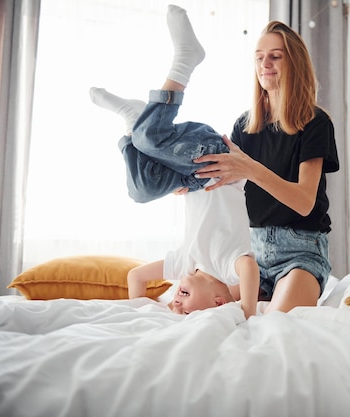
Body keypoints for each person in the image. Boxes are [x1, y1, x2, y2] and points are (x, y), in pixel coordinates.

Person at [89, 4, 259, 318]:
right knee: (151, 137)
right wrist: (247, 313)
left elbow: (135, 277)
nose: (175, 301)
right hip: (218, 160)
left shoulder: (186, 262)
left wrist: (140, 314)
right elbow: (250, 269)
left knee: (140, 190)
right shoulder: (228, 266)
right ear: (219, 303)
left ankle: (133, 122)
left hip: (189, 178)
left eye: (174, 301)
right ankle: (185, 60)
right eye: (183, 301)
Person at [193, 20, 340, 313]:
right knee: (203, 308)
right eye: (259, 57)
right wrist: (188, 181)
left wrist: (250, 169)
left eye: (275, 56)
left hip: (301, 253)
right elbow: (222, 184)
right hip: (252, 255)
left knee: (277, 325)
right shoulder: (244, 126)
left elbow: (303, 201)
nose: (265, 63)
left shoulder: (315, 122)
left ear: (294, 63)